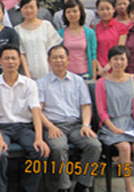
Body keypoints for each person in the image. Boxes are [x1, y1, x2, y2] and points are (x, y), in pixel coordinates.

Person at [0, 44, 50, 192]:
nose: (10, 62)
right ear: (0, 61)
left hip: (24, 127)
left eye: (14, 58)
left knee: (40, 150)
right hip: (2, 128)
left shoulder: (29, 84)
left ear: (19, 61)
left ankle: (26, 188)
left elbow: (35, 111)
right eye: (6, 58)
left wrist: (39, 138)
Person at [37, 45, 101, 192]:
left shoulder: (78, 81)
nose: (58, 60)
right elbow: (37, 111)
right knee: (58, 148)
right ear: (48, 61)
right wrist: (50, 127)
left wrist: (86, 125)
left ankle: (82, 185)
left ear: (68, 60)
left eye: (61, 57)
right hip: (54, 125)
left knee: (94, 145)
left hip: (76, 125)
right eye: (55, 57)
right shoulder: (41, 83)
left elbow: (86, 106)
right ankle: (64, 187)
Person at [96, 46, 134, 192]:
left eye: (122, 59)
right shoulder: (102, 83)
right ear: (110, 61)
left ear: (127, 61)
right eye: (115, 59)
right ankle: (128, 185)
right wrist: (113, 128)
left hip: (131, 123)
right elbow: (101, 111)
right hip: (111, 125)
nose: (119, 62)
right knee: (124, 147)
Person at [15, 0, 62, 80]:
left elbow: (53, 50)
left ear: (37, 9)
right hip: (28, 75)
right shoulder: (17, 29)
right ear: (21, 9)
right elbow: (22, 54)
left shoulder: (46, 25)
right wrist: (27, 76)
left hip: (48, 72)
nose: (28, 10)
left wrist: (52, 71)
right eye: (25, 7)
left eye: (31, 7)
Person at [57, 0, 98, 80]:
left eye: (75, 11)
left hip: (85, 74)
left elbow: (93, 55)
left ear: (81, 13)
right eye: (68, 12)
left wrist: (93, 76)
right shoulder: (60, 33)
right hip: (66, 74)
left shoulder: (90, 33)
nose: (72, 14)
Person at [94, 0, 128, 76]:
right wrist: (99, 68)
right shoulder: (93, 29)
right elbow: (92, 51)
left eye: (108, 9)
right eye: (102, 9)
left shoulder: (121, 27)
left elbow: (120, 49)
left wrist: (109, 66)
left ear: (113, 9)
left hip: (116, 68)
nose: (105, 12)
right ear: (97, 11)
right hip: (99, 70)